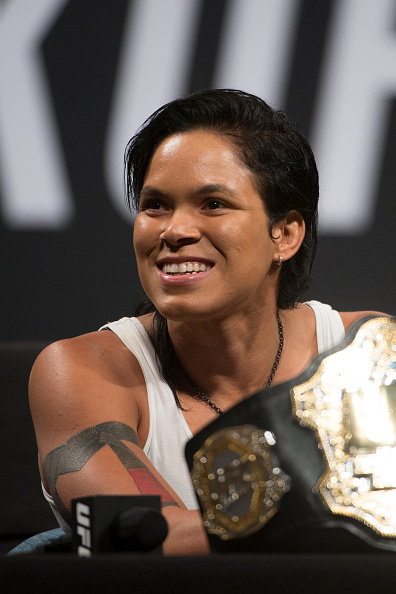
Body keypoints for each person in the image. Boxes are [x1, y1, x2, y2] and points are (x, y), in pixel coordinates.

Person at [29, 89, 384, 555]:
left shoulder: (364, 354)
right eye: (155, 205)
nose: (174, 230)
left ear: (285, 233)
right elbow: (139, 538)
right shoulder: (79, 371)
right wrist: (344, 509)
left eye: (213, 204)